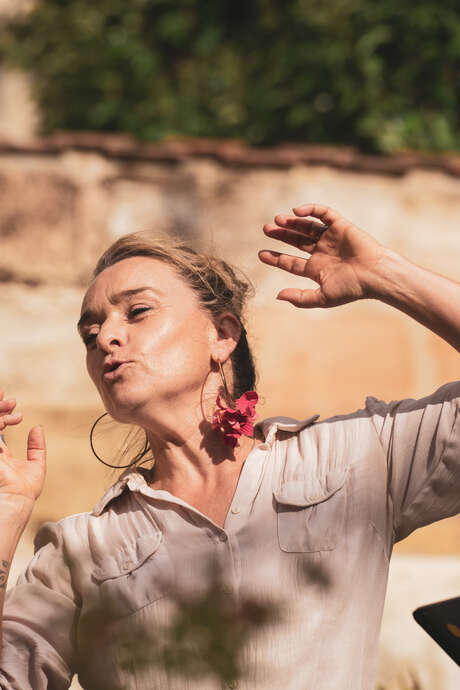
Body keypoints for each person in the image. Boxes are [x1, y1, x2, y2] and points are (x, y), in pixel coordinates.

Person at [0, 202, 459, 690]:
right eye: (90, 334)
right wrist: (5, 516)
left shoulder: (357, 458)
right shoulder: (80, 552)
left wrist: (386, 274)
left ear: (221, 335)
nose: (107, 337)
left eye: (137, 312)